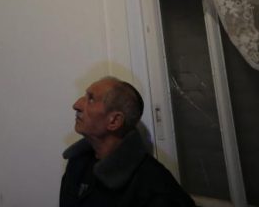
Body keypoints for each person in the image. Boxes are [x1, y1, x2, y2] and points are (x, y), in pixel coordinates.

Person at [60, 76, 196, 207]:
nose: (76, 105)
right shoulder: (78, 163)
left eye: (91, 99)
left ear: (114, 121)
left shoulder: (155, 188)